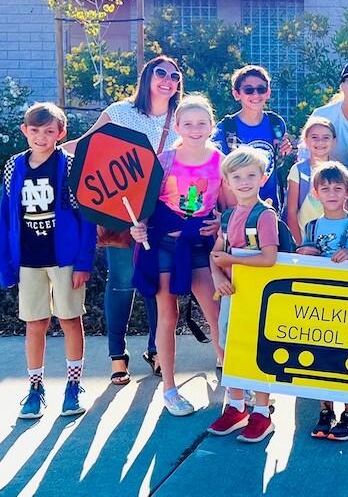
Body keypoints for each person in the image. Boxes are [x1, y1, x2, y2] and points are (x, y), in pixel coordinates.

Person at [63, 56, 181, 384]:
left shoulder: (180, 120)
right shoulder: (120, 112)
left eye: (174, 75)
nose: (167, 79)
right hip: (119, 212)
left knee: (159, 285)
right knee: (122, 281)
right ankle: (118, 356)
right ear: (147, 77)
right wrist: (44, 156)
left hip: (160, 213)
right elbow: (86, 147)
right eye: (161, 72)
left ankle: (157, 349)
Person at [130, 94, 232, 416]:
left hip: (200, 244)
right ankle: (170, 388)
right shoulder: (164, 161)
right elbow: (144, 205)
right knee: (167, 315)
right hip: (164, 243)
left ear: (212, 126)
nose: (195, 129)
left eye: (202, 123)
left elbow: (228, 207)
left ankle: (235, 380)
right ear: (176, 126)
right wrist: (139, 227)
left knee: (215, 313)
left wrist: (220, 221)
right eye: (188, 123)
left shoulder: (220, 161)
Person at [1, 102, 96, 419]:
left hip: (64, 257)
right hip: (29, 259)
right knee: (35, 323)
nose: (41, 137)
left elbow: (86, 216)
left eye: (49, 131)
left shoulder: (68, 166)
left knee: (70, 319)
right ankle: (35, 388)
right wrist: (7, 262)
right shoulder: (14, 167)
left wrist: (84, 261)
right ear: (25, 131)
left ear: (61, 133)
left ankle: (72, 387)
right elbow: (7, 216)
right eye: (35, 130)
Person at [296, 161, 348, 442]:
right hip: (320, 299)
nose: (331, 193)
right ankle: (325, 410)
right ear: (316, 193)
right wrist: (304, 254)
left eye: (338, 188)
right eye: (325, 188)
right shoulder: (311, 226)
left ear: (347, 192)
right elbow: (300, 262)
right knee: (319, 354)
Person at [206, 148, 281, 443]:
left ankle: (262, 412)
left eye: (251, 175)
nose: (244, 181)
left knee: (257, 349)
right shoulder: (227, 216)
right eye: (237, 177)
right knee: (232, 349)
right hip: (232, 293)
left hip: (260, 296)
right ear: (227, 182)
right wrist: (217, 275)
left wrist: (231, 262)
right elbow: (216, 253)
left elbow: (269, 258)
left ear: (263, 178)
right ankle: (236, 406)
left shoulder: (265, 215)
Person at [212, 65, 293, 210]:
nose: (255, 95)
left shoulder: (276, 123)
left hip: (270, 205)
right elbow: (221, 174)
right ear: (237, 94)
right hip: (237, 206)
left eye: (261, 89)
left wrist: (283, 152)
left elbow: (275, 164)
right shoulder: (226, 128)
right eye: (248, 90)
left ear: (268, 92)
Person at [287, 117, 337, 244]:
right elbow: (291, 212)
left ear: (334, 141)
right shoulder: (298, 170)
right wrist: (298, 245)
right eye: (315, 137)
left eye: (326, 137)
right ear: (306, 140)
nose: (320, 142)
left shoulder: (339, 171)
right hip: (304, 242)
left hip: (332, 243)